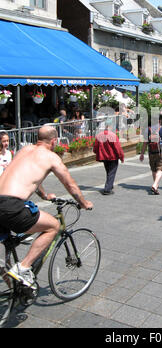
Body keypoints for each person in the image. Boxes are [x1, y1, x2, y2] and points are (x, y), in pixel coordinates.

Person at [0, 125, 93, 288]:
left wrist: (44, 196)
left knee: (11, 239)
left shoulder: (25, 150)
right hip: (11, 206)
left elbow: (29, 178)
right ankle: (23, 267)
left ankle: (13, 283)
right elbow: (69, 184)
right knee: (53, 226)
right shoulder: (51, 157)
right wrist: (84, 203)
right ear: (54, 141)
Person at [140, 117, 162, 195]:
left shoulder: (148, 129)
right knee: (160, 169)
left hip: (151, 152)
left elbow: (144, 143)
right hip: (161, 152)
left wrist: (142, 154)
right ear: (159, 121)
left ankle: (156, 185)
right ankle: (155, 184)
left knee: (154, 169)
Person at [93, 121, 124, 195]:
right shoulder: (113, 135)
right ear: (111, 126)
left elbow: (95, 147)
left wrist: (97, 153)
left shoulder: (99, 135)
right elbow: (118, 148)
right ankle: (107, 189)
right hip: (112, 157)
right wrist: (121, 157)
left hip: (104, 157)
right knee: (111, 172)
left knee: (108, 172)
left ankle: (110, 185)